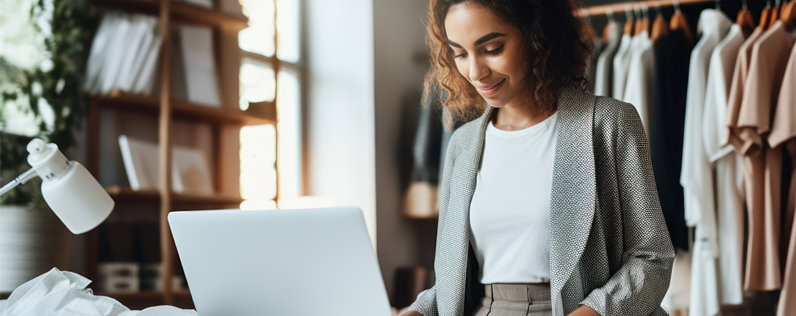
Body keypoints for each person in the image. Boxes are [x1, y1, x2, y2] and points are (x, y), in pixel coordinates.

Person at [400, 0, 675, 315]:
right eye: (460, 54)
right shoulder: (462, 145)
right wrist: (417, 310)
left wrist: (594, 311)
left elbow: (652, 259)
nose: (475, 72)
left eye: (492, 48)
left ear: (537, 36)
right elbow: (453, 284)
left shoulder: (609, 123)